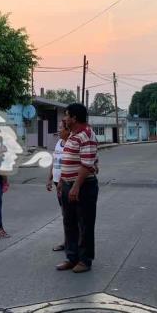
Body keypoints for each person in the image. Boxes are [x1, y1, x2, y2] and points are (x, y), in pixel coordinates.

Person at [55, 103, 99, 273]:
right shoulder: (73, 136)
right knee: (69, 222)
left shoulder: (86, 135)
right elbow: (68, 161)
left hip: (83, 186)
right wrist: (61, 182)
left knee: (85, 224)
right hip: (68, 184)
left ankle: (85, 260)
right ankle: (71, 257)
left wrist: (75, 187)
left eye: (66, 115)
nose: (64, 119)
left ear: (74, 118)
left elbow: (87, 164)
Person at [47, 120, 71, 252]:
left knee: (68, 213)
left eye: (61, 128)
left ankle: (71, 242)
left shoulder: (70, 144)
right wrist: (49, 178)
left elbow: (68, 166)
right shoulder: (58, 143)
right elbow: (54, 161)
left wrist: (61, 182)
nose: (59, 130)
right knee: (64, 213)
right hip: (58, 183)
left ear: (68, 130)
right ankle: (67, 241)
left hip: (66, 183)